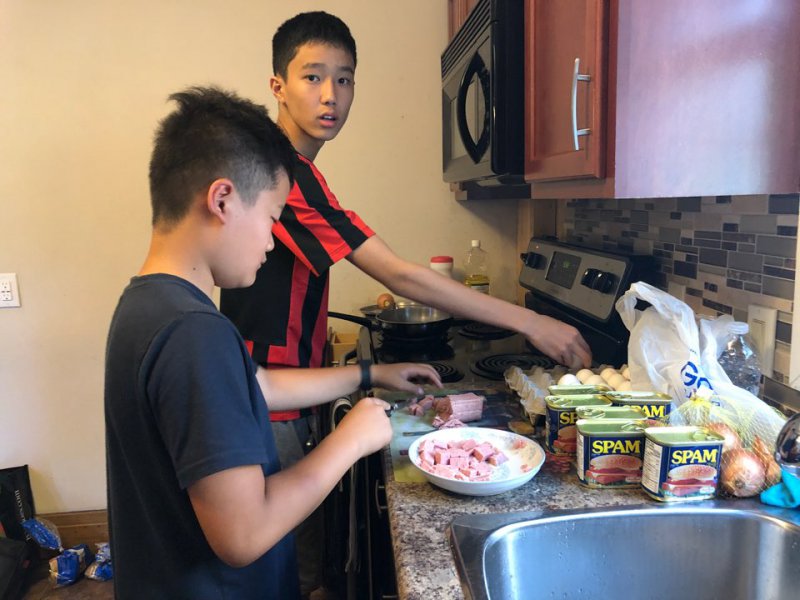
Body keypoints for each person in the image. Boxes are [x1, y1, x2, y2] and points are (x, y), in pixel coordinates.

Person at [219, 10, 593, 597]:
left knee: (295, 568)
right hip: (269, 406)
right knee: (286, 573)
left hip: (282, 391)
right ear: (278, 87)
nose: (330, 95)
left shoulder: (287, 168)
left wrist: (370, 373)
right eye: (312, 77)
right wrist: (532, 321)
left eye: (344, 79)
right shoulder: (285, 173)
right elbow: (397, 272)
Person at [104, 86, 441, 599]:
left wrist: (370, 375)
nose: (270, 240)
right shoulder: (196, 334)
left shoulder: (148, 305)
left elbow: (259, 386)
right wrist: (350, 440)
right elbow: (243, 534)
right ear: (221, 200)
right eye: (271, 218)